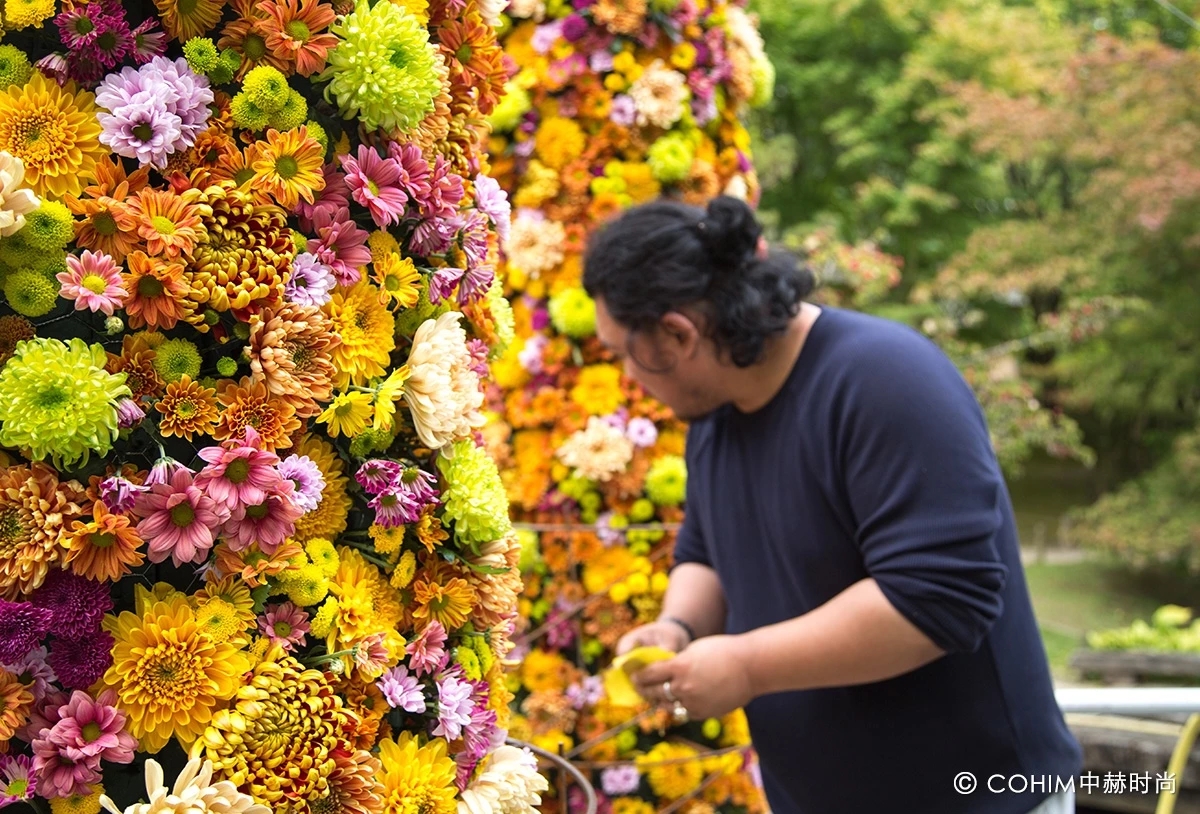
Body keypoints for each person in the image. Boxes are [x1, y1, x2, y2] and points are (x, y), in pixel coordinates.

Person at [582, 195, 1083, 814]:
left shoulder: (886, 379)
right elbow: (707, 550)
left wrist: (745, 666)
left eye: (622, 351)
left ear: (678, 332)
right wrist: (678, 627)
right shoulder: (716, 415)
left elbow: (938, 599)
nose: (627, 374)